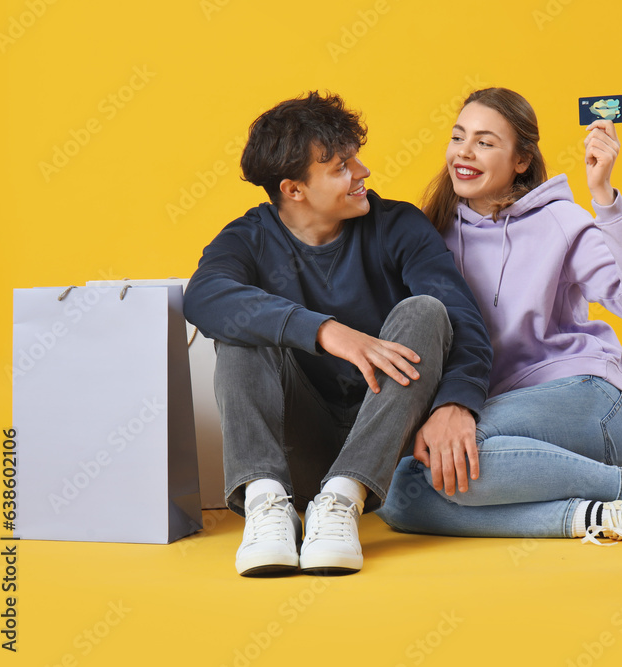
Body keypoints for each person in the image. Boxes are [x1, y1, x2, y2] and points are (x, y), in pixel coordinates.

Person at [378, 88, 622, 547]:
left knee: (454, 456)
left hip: (585, 401)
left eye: (485, 142)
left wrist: (605, 198)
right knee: (397, 494)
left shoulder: (561, 222)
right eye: (457, 137)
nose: (464, 153)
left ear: (521, 160)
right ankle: (610, 514)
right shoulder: (430, 235)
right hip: (498, 421)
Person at [183, 91, 492, 577]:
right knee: (239, 324)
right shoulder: (249, 237)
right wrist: (327, 332)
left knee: (426, 311)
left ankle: (342, 498)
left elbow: (464, 320)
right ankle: (267, 505)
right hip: (300, 449)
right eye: (341, 166)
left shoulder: (399, 225)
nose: (363, 172)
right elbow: (202, 297)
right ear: (294, 189)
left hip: (392, 447)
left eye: (356, 158)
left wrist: (457, 403)